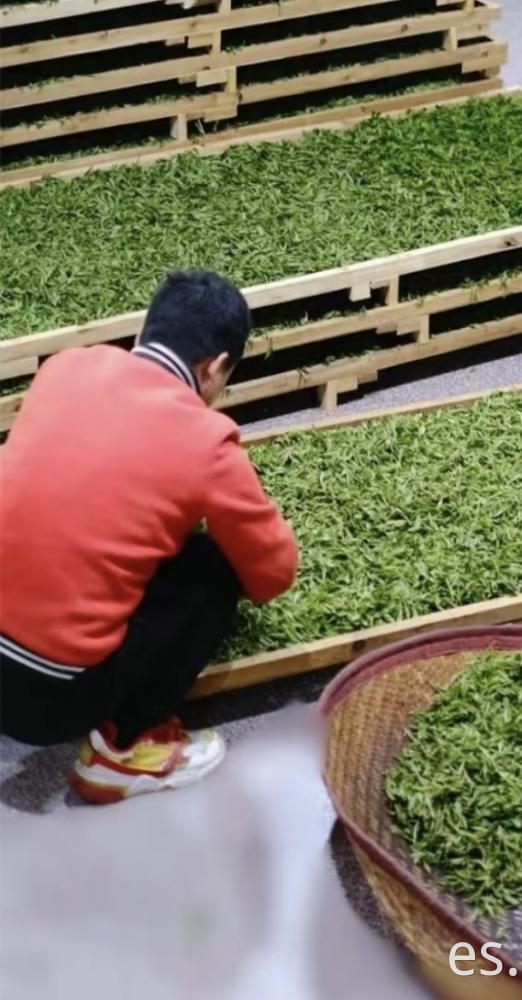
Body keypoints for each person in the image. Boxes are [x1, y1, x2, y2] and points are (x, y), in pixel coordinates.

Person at [0, 270, 299, 804]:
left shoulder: (65, 367)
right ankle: (126, 750)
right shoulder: (207, 440)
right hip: (52, 702)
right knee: (213, 566)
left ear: (144, 333)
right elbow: (274, 574)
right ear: (216, 368)